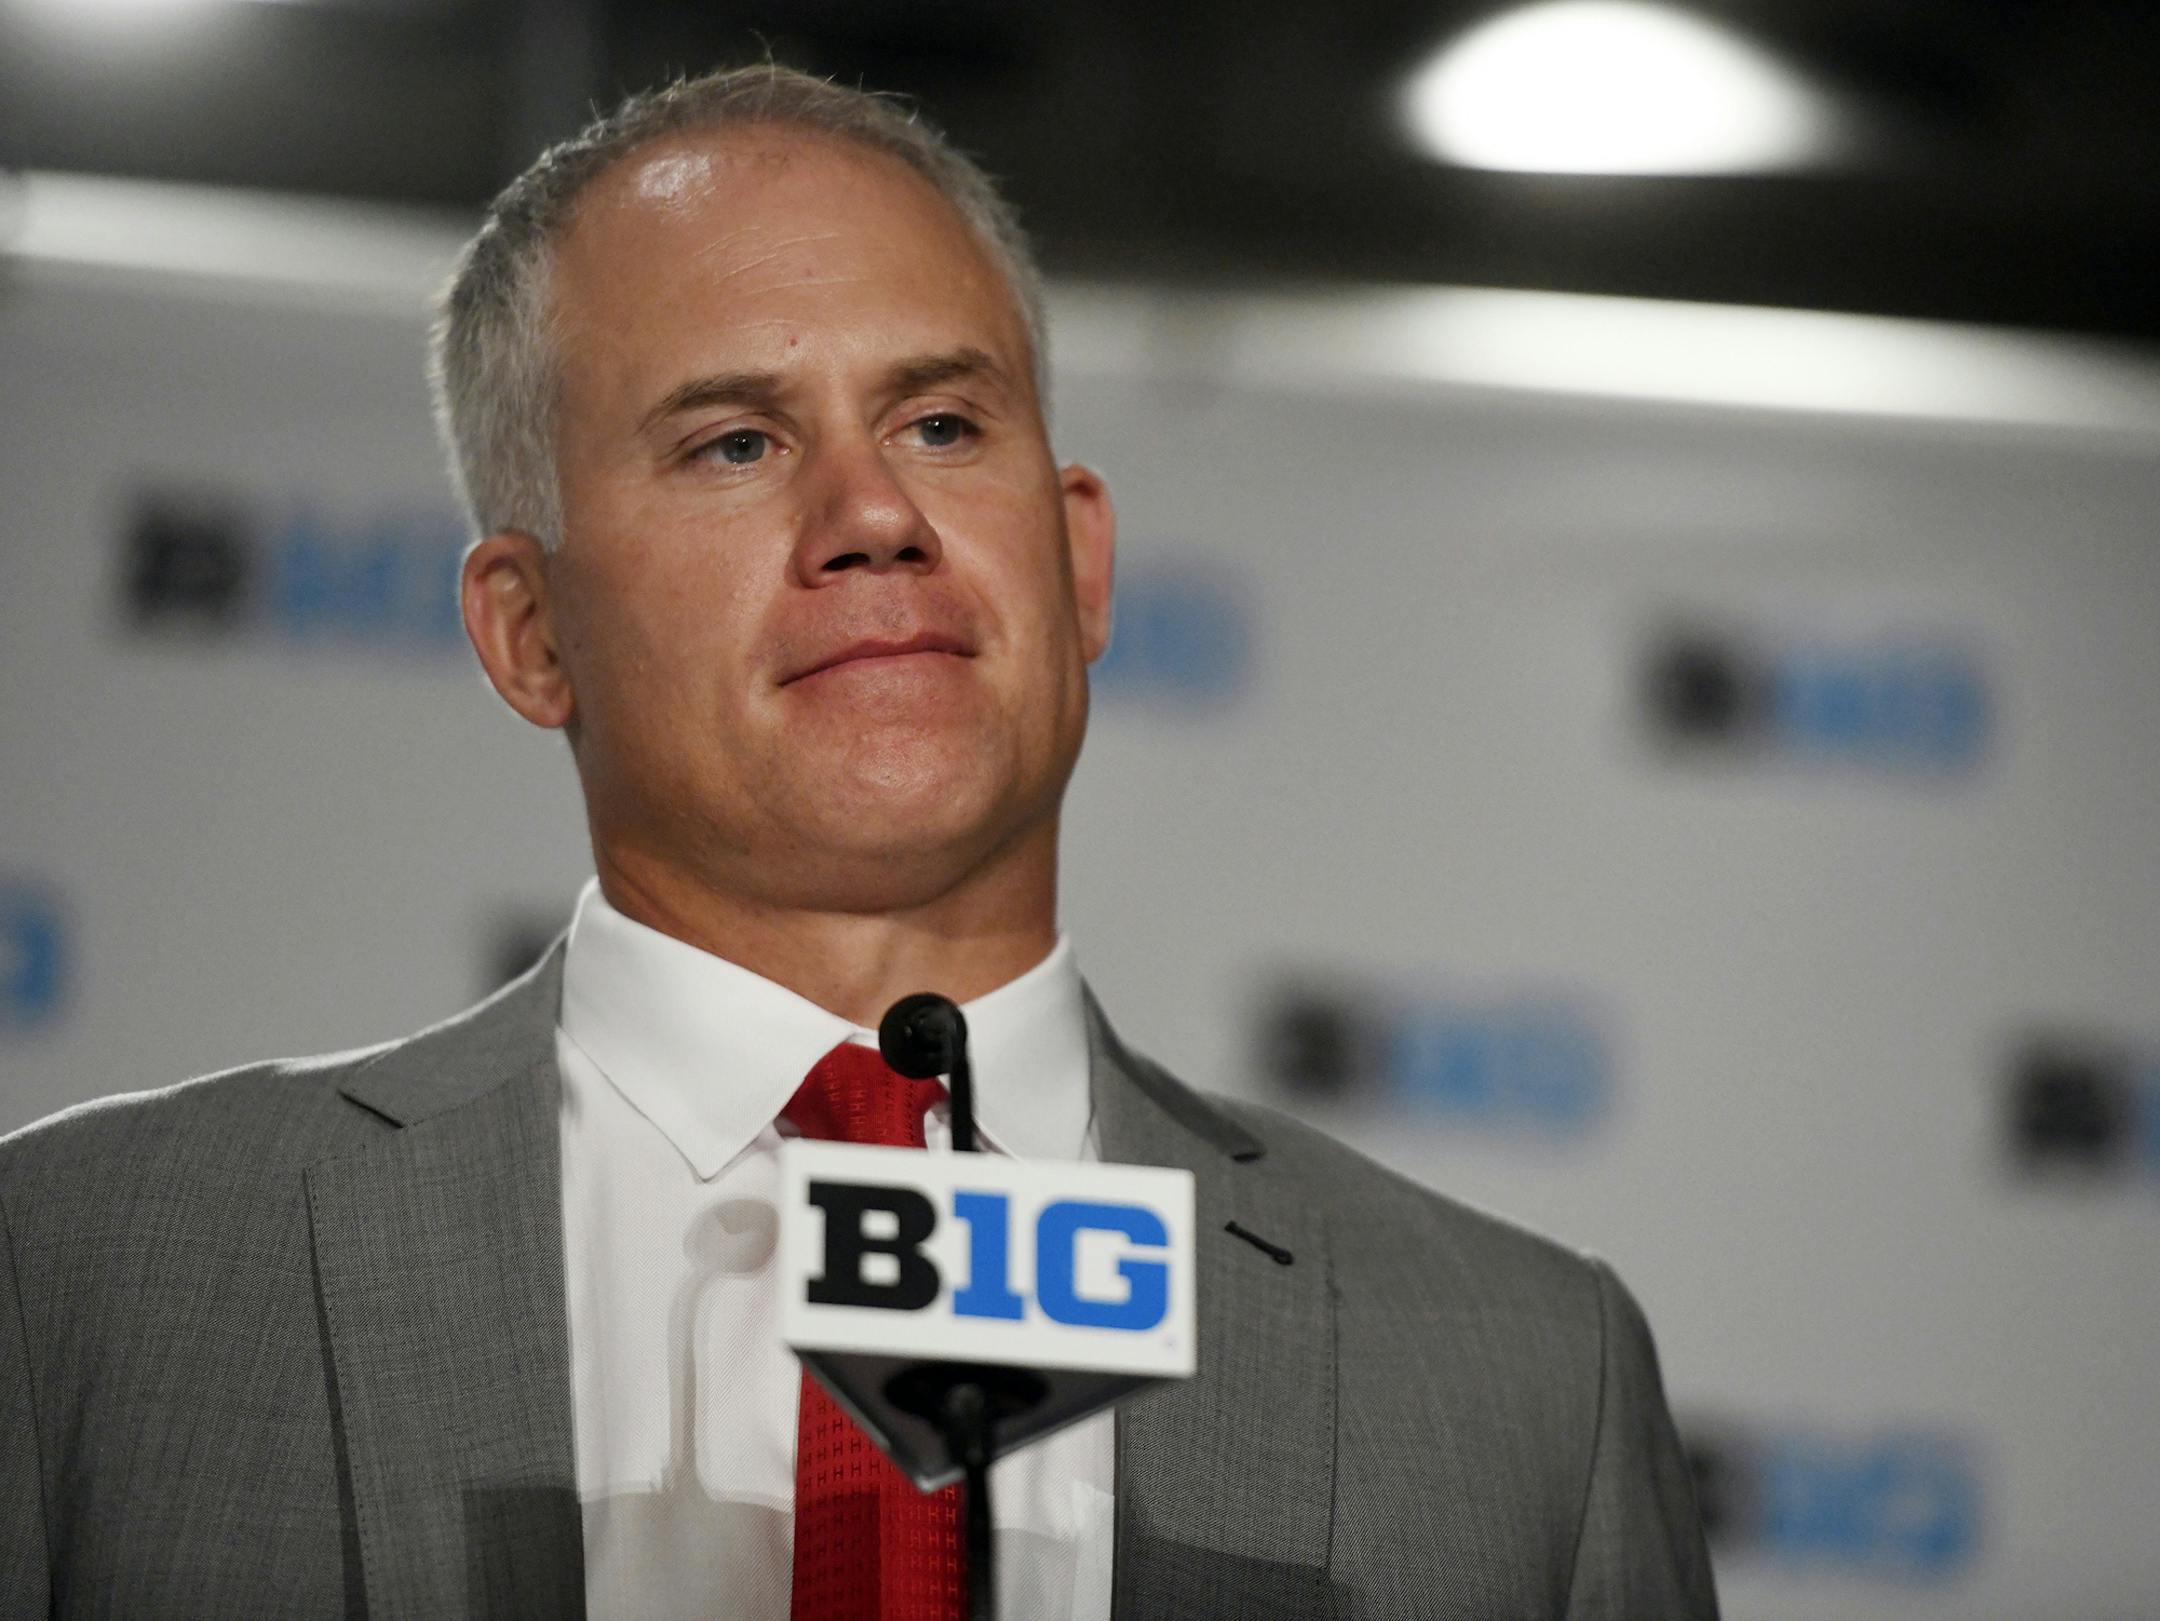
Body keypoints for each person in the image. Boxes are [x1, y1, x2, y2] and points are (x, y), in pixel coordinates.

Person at [0, 65, 1716, 1620]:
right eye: (737, 442)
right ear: (530, 631)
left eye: (942, 425)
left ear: (1081, 562)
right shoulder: (81, 1277)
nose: (875, 514)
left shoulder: (1521, 1384)